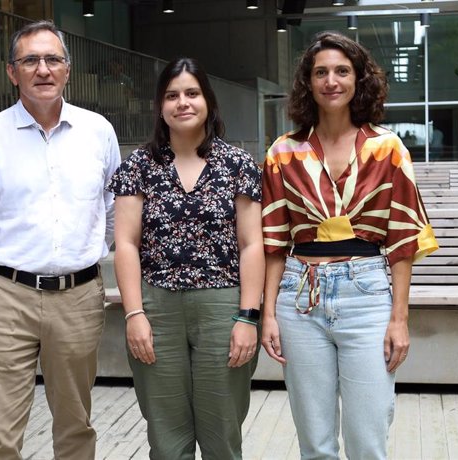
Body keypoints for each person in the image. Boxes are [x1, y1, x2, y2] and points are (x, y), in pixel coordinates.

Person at [261, 31, 439, 459]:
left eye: (342, 71)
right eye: (320, 72)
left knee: (367, 437)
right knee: (316, 442)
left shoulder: (388, 149)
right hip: (299, 296)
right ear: (308, 82)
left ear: (360, 79)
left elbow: (401, 240)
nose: (331, 80)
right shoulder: (283, 152)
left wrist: (399, 318)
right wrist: (267, 313)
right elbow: (273, 242)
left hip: (367, 295)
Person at [0, 20, 120, 459]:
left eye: (52, 59)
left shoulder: (98, 131)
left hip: (79, 297)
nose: (42, 69)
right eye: (30, 61)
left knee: (75, 425)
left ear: (67, 69)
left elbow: (111, 211)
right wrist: (4, 276)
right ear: (12, 72)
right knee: (0, 433)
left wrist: (80, 259)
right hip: (6, 299)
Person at [108, 57, 265, 459]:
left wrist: (248, 317)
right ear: (160, 105)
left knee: (222, 430)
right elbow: (125, 243)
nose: (183, 103)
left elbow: (251, 244)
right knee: (166, 433)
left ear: (208, 101)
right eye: (172, 95)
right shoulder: (139, 167)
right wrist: (134, 314)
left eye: (192, 93)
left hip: (222, 306)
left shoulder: (237, 164)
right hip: (157, 307)